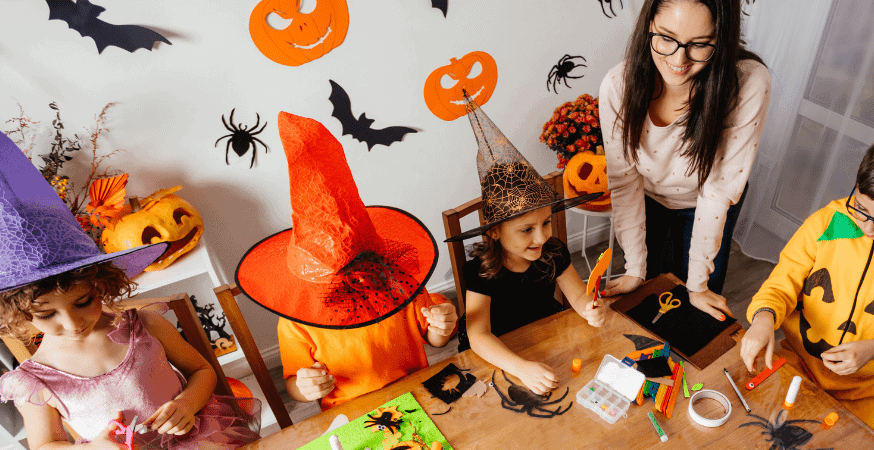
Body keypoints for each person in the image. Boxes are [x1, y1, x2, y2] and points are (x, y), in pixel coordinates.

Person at [0, 133, 260, 450]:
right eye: (46, 314)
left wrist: (187, 405)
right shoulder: (34, 382)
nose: (72, 323)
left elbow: (202, 371)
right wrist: (92, 448)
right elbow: (45, 446)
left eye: (83, 302)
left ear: (100, 285)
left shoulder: (146, 327)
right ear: (20, 312)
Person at [235, 112, 457, 411]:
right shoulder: (296, 319)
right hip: (349, 412)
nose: (354, 281)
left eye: (358, 269)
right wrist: (305, 386)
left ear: (377, 260)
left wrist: (442, 327)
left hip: (417, 394)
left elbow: (436, 339)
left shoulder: (398, 282)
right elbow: (294, 384)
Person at [740, 129, 874, 431]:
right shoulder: (828, 221)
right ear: (857, 181)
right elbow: (782, 283)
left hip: (863, 387)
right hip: (797, 361)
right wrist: (763, 319)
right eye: (861, 208)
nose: (868, 226)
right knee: (751, 425)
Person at [600, 0, 771, 321]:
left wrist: (697, 286)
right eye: (666, 38)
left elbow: (717, 192)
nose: (679, 60)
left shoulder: (748, 82)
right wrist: (635, 267)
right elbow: (624, 181)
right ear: (648, 25)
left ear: (722, 38)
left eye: (700, 45)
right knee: (648, 290)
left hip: (708, 200)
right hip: (645, 195)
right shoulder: (618, 85)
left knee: (696, 303)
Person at [445, 98, 609, 396]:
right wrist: (520, 367)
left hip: (546, 339)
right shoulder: (481, 272)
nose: (541, 238)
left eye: (546, 223)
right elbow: (478, 334)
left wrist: (590, 309)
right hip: (498, 358)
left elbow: (577, 295)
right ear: (494, 231)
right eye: (526, 230)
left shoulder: (553, 252)